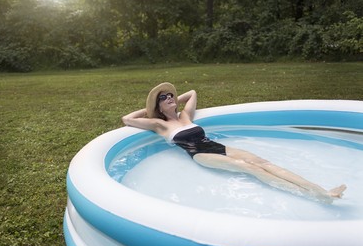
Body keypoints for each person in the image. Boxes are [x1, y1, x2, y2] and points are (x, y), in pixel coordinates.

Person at [122, 82, 347, 203]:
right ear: (158, 106)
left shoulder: (184, 117)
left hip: (216, 146)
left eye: (170, 95)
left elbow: (192, 93)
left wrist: (172, 100)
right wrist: (153, 109)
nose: (170, 98)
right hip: (200, 154)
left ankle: (322, 191)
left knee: (263, 161)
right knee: (248, 168)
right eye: (164, 97)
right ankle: (313, 197)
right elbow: (127, 119)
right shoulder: (159, 125)